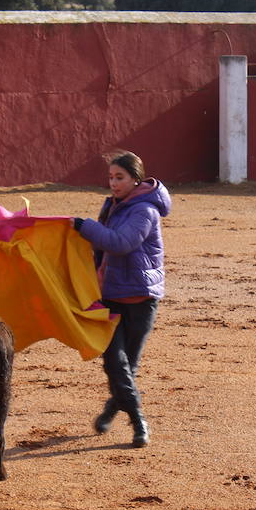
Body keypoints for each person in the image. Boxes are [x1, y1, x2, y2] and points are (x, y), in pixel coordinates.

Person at [70, 151, 170, 448]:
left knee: (129, 364)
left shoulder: (145, 211)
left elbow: (122, 244)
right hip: (112, 295)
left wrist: (84, 226)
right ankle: (139, 421)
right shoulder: (114, 205)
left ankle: (114, 407)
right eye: (111, 178)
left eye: (120, 178)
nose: (113, 183)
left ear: (135, 179)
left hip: (140, 297)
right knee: (115, 362)